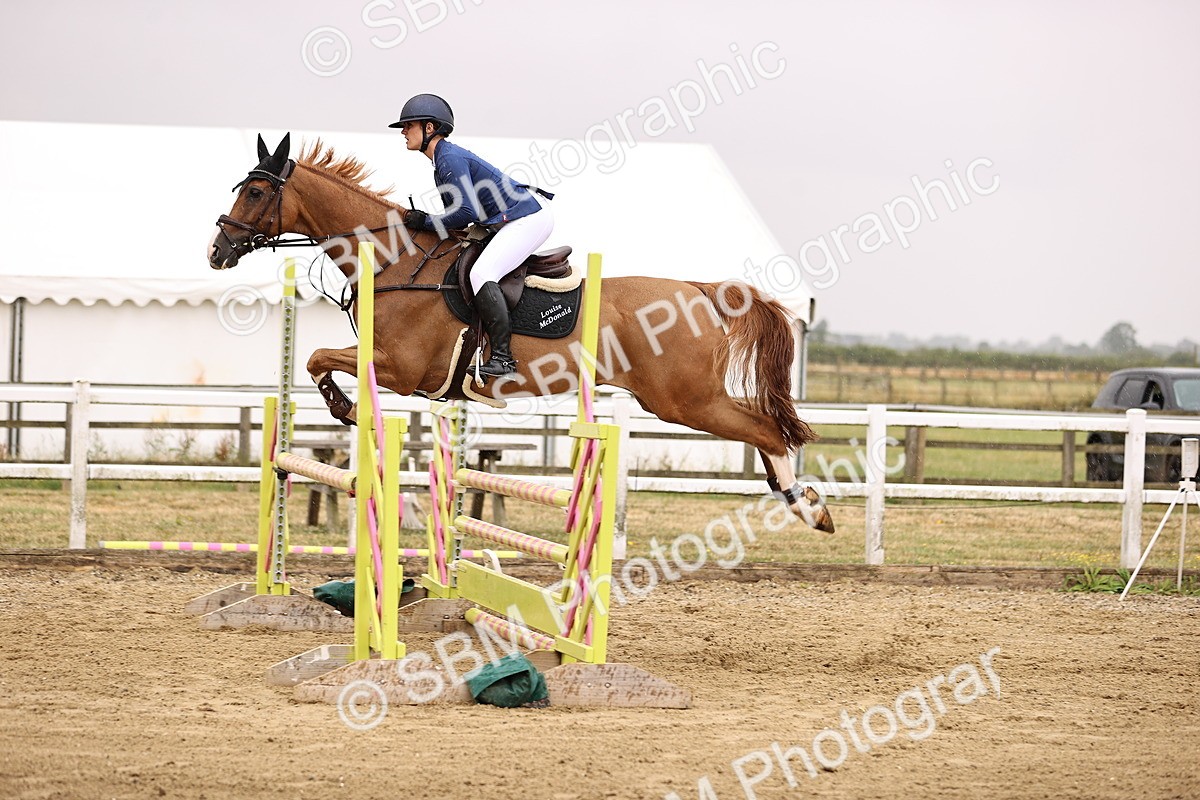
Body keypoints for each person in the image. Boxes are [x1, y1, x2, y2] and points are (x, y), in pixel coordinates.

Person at [389, 93, 553, 379]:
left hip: (528, 218)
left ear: (430, 128)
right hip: (510, 219)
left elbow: (465, 212)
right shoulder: (442, 160)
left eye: (409, 125)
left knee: (481, 274)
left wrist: (426, 221)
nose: (403, 131)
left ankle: (504, 359)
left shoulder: (448, 159)